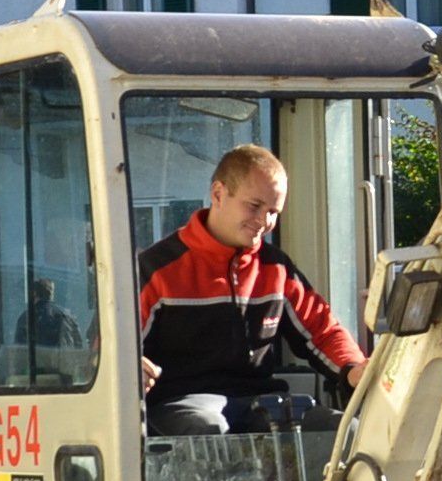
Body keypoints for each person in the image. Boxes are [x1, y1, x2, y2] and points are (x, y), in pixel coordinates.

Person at [136, 145, 363, 432]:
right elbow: (114, 349)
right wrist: (134, 366)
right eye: (254, 206)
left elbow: (322, 330)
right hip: (180, 402)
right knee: (207, 427)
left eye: (273, 212)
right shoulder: (156, 268)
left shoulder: (276, 268)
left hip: (262, 399)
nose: (263, 222)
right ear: (218, 194)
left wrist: (355, 369)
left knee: (347, 431)